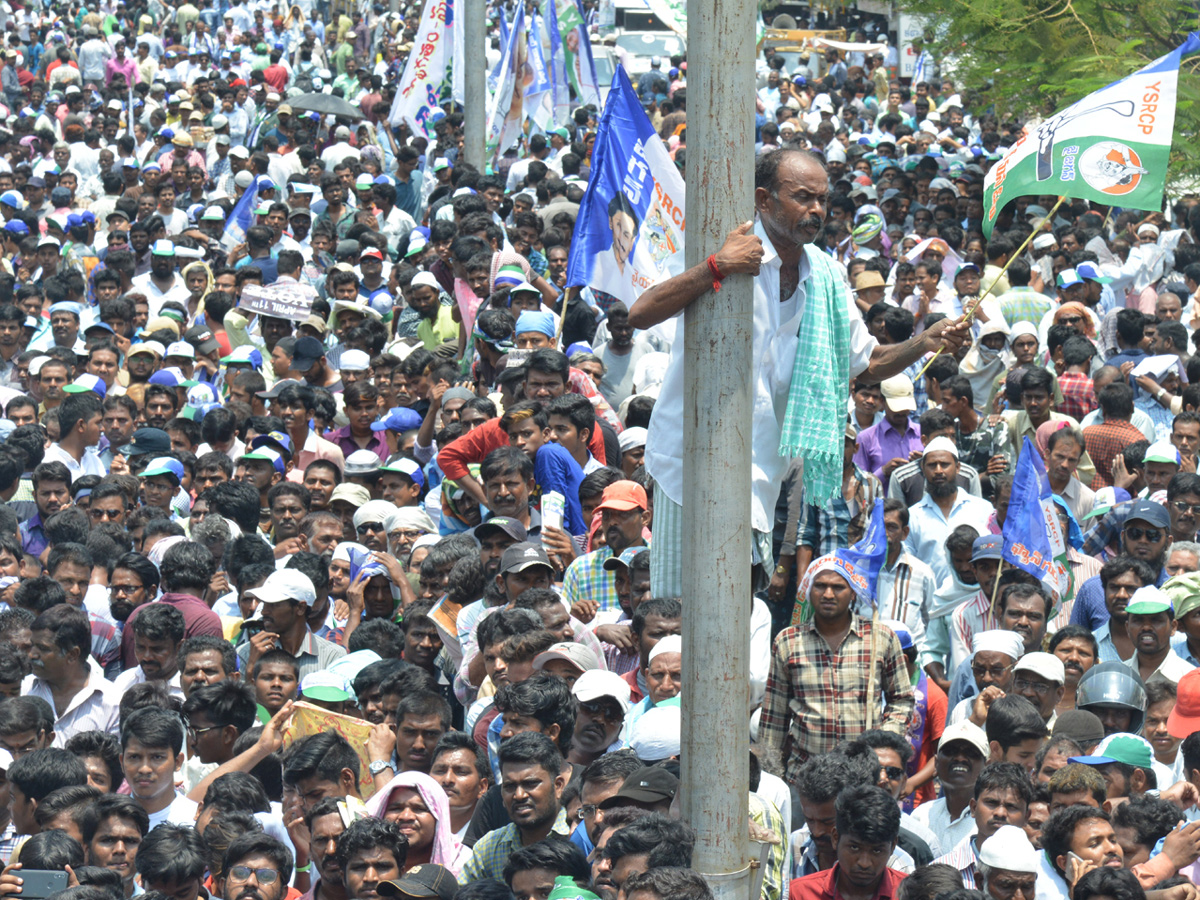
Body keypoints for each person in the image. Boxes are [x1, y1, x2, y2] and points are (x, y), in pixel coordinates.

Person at [633, 149, 966, 597]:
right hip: (688, 463)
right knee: (676, 617)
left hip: (761, 474)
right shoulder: (723, 245)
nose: (816, 211)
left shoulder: (826, 277)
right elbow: (640, 312)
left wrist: (924, 343)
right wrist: (718, 266)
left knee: (732, 617)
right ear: (763, 200)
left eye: (822, 200)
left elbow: (865, 363)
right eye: (803, 198)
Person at [759, 554, 914, 780]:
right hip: (806, 775)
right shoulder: (788, 642)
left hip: (863, 775)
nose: (828, 594)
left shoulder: (881, 638)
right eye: (820, 586)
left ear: (852, 593)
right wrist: (768, 776)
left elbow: (901, 699)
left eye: (838, 587)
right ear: (809, 590)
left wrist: (884, 740)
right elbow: (774, 716)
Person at [788, 785, 905, 900]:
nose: (864, 863)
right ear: (835, 838)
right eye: (854, 848)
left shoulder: (911, 894)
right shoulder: (800, 893)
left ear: (893, 846)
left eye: (876, 850)